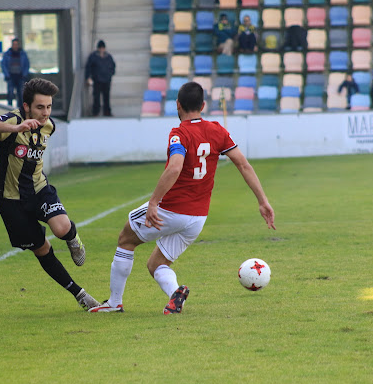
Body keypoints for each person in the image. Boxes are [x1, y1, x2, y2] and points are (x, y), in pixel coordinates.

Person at [89, 81, 276, 315]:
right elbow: (243, 165)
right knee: (155, 264)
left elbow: (175, 168)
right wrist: (262, 201)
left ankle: (114, 302)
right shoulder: (218, 130)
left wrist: (154, 203)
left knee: (126, 239)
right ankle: (175, 293)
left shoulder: (180, 133)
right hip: (197, 218)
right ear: (203, 105)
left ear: (177, 105)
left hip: (172, 210)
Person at [0, 78, 100, 311]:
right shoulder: (13, 119)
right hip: (10, 199)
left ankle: (73, 239)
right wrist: (16, 128)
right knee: (42, 250)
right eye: (40, 107)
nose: (45, 113)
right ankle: (80, 295)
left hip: (39, 189)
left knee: (62, 228)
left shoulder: (49, 126)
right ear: (26, 106)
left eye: (49, 107)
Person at [85, 40, 116, 117]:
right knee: (96, 97)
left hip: (107, 80)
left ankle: (107, 112)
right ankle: (95, 112)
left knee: (106, 97)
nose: (102, 50)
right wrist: (88, 77)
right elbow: (88, 67)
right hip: (97, 80)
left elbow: (113, 66)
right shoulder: (93, 57)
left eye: (103, 48)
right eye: (100, 48)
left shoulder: (108, 57)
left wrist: (110, 74)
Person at [1, 38, 30, 107]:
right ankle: (9, 108)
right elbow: (3, 64)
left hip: (20, 76)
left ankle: (20, 108)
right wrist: (7, 74)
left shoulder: (23, 54)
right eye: (14, 44)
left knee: (20, 93)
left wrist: (24, 74)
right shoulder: (7, 54)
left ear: (18, 45)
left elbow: (27, 64)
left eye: (16, 44)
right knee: (10, 93)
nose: (15, 46)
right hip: (11, 76)